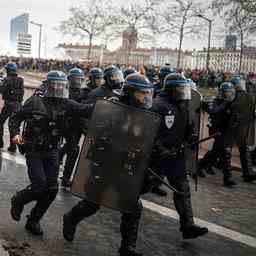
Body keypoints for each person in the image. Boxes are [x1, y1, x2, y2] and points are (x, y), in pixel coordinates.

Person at [63, 73, 155, 256]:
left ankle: (127, 248)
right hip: (104, 161)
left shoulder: (144, 111)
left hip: (126, 162)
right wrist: (62, 101)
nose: (146, 97)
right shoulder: (111, 104)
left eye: (148, 93)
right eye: (141, 93)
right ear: (130, 92)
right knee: (92, 204)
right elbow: (85, 110)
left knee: (133, 206)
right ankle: (70, 218)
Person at [9, 70, 94, 236]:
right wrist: (15, 134)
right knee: (39, 185)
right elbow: (16, 117)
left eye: (61, 85)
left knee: (52, 188)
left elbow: (86, 110)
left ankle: (33, 220)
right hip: (33, 149)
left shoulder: (66, 103)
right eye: (54, 85)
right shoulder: (35, 101)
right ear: (47, 85)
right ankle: (18, 199)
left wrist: (109, 103)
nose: (57, 88)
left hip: (52, 150)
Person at [151, 73, 208, 239]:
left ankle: (188, 226)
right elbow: (148, 131)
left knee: (182, 189)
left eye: (184, 89)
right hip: (157, 156)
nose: (183, 92)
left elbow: (186, 126)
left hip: (176, 155)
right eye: (180, 89)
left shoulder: (183, 105)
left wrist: (190, 134)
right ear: (170, 89)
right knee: (141, 187)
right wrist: (159, 148)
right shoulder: (157, 105)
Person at [198, 82, 237, 186]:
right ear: (222, 93)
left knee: (215, 153)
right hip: (218, 131)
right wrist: (225, 104)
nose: (229, 95)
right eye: (227, 93)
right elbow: (214, 111)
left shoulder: (231, 103)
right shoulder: (217, 101)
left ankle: (199, 166)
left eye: (230, 93)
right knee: (225, 154)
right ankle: (227, 178)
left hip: (226, 131)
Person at [59, 67, 91, 187]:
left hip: (78, 125)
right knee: (73, 150)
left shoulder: (83, 92)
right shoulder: (64, 92)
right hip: (68, 124)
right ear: (70, 79)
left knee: (71, 148)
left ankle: (60, 155)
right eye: (75, 79)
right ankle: (66, 178)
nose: (77, 82)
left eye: (79, 79)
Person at [230, 75, 256, 182]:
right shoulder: (249, 96)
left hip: (238, 125)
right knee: (224, 148)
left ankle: (247, 172)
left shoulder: (237, 95)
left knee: (224, 148)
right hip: (241, 125)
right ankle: (247, 172)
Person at [0, 62, 24, 152]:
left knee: (0, 122)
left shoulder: (7, 79)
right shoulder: (20, 79)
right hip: (18, 105)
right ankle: (13, 146)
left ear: (8, 70)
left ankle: (0, 143)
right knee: (13, 126)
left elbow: (1, 90)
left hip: (9, 104)